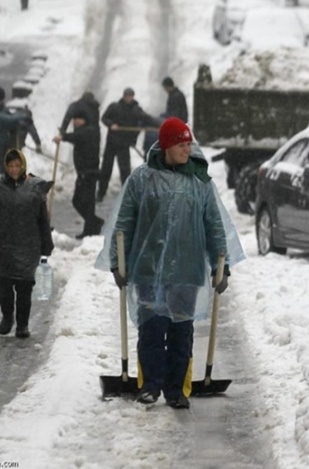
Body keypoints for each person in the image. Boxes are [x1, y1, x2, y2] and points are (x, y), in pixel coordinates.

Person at [107, 117, 233, 409]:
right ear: (166, 145)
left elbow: (214, 225)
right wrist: (118, 262)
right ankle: (150, 385)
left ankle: (176, 389)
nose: (187, 149)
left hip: (187, 269)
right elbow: (124, 223)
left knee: (181, 330)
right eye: (181, 144)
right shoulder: (142, 178)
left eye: (189, 144)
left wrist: (220, 266)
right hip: (148, 267)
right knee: (151, 326)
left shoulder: (199, 181)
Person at [0, 148, 54, 338]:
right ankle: (7, 318)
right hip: (4, 246)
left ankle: (22, 324)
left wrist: (46, 244)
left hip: (28, 246)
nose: (14, 169)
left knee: (24, 289)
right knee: (4, 288)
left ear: (23, 166)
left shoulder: (34, 188)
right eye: (10, 165)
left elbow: (42, 220)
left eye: (17, 165)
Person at [98, 87, 156, 202]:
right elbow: (104, 118)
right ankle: (100, 193)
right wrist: (111, 124)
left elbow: (146, 119)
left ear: (133, 97)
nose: (128, 98)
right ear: (123, 96)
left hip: (124, 144)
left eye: (130, 96)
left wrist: (160, 125)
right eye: (127, 96)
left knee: (125, 171)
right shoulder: (115, 107)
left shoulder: (136, 109)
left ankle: (127, 194)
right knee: (106, 169)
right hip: (112, 143)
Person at [53, 109, 103, 239]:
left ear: (83, 120)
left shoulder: (89, 130)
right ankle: (91, 227)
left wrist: (63, 137)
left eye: (77, 119)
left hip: (89, 173)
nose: (75, 122)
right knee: (86, 203)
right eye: (74, 120)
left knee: (79, 201)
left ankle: (93, 224)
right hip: (85, 172)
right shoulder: (85, 131)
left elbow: (77, 136)